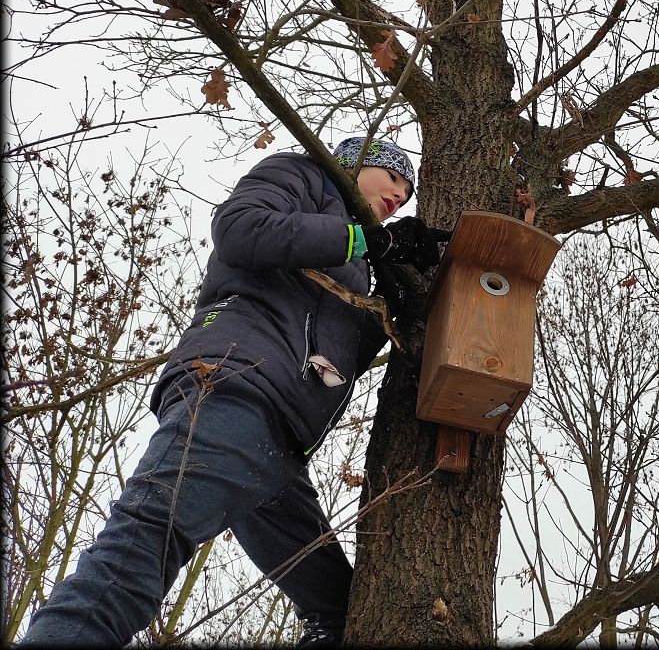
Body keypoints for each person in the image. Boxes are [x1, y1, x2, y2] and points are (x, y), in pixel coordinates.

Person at [20, 137, 449, 648]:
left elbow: (331, 344)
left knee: (338, 611)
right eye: (393, 177)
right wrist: (362, 240)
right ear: (353, 162)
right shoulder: (303, 176)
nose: (400, 195)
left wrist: (392, 303)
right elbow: (240, 229)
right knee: (136, 555)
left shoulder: (352, 264)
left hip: (280, 442)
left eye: (407, 192)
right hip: (234, 388)